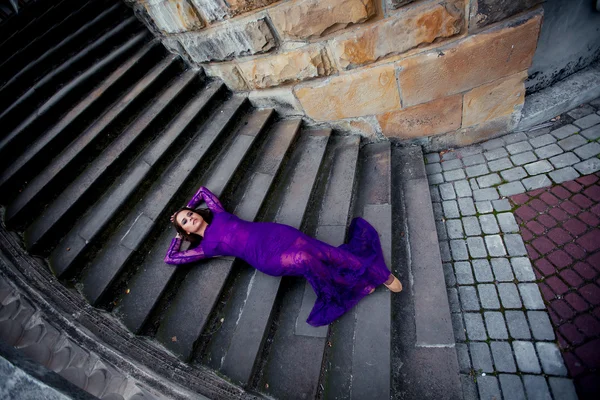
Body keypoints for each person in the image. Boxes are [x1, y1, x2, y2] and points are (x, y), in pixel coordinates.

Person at [165, 186, 402, 327]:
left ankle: (379, 275)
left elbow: (203, 192)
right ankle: (356, 281)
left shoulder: (217, 213)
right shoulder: (205, 248)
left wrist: (184, 209)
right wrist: (178, 232)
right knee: (305, 260)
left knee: (325, 252)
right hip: (266, 258)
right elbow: (171, 258)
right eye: (186, 221)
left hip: (276, 233)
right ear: (186, 230)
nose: (190, 218)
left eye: (189, 214)